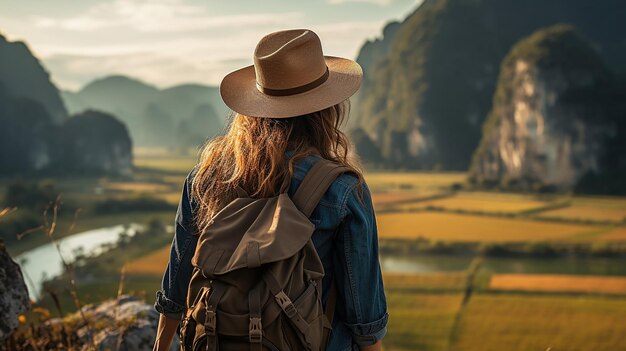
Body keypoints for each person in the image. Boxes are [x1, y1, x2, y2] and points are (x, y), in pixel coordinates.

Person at [153, 29, 388, 351]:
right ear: (327, 110)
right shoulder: (342, 189)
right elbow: (364, 317)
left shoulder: (206, 177)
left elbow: (177, 285)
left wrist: (161, 345)